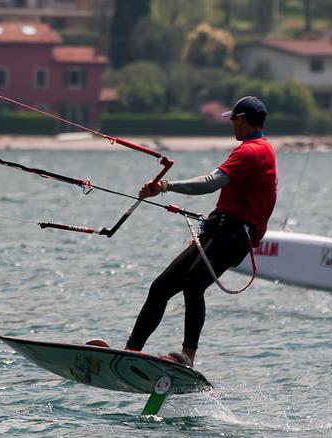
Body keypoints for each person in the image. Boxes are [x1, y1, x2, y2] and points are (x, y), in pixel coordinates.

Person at [95, 96, 277, 367]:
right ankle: (130, 352)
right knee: (161, 287)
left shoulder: (251, 151)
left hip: (233, 235)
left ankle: (188, 356)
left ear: (241, 120)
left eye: (233, 121)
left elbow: (210, 183)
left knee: (193, 283)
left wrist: (165, 186)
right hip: (220, 231)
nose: (232, 127)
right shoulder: (260, 149)